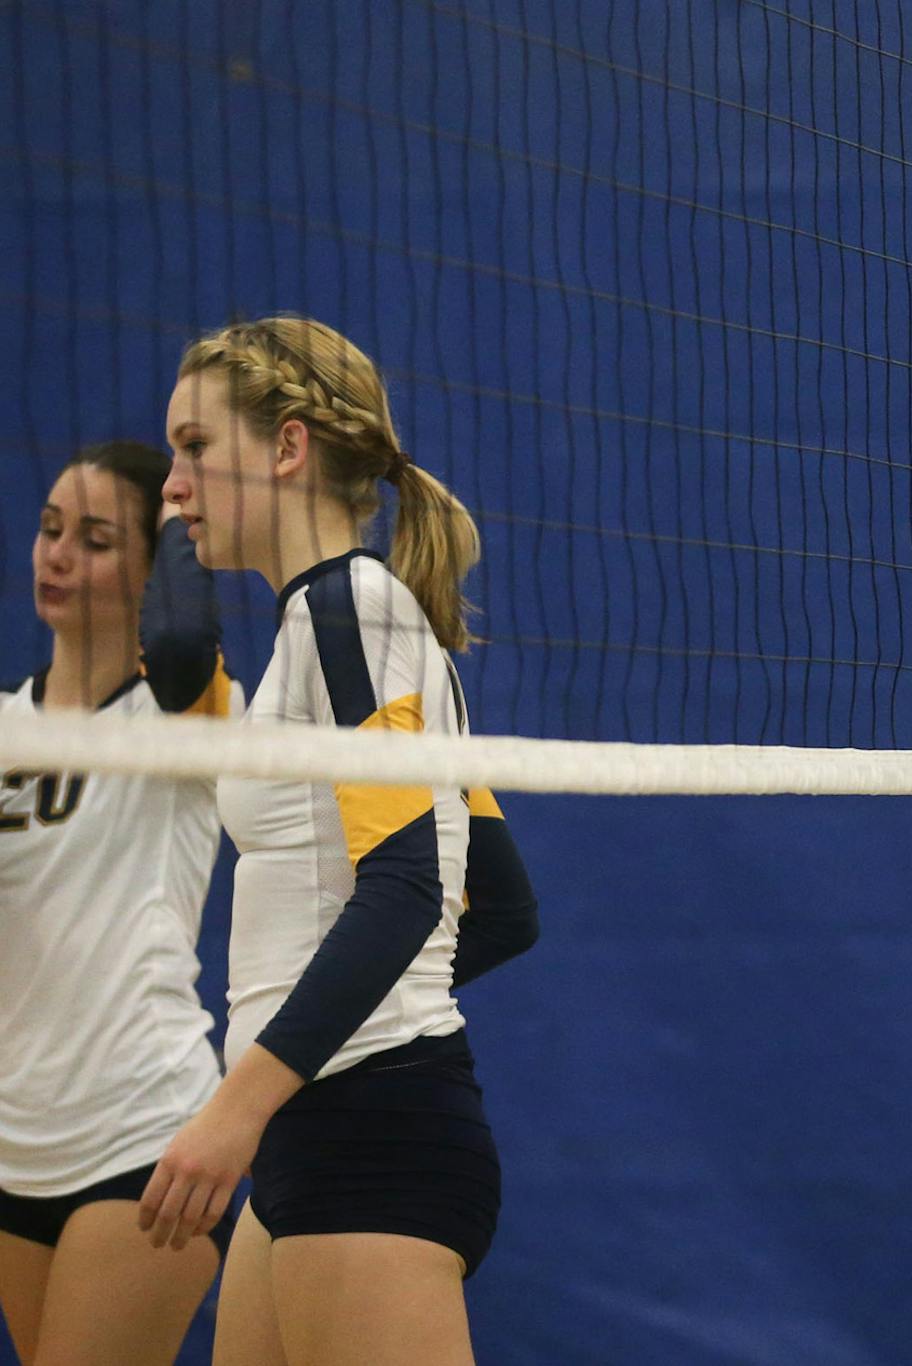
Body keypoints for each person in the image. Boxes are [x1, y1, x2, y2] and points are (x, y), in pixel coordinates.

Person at [146, 315, 540, 1363]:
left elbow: (408, 884)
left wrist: (236, 1108)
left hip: (372, 1139)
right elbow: (498, 903)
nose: (171, 486)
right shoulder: (331, 628)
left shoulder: (353, 613)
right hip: (317, 1131)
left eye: (195, 446)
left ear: (288, 448)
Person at [0, 442, 241, 1365]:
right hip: (18, 1141)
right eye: (51, 529)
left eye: (96, 540)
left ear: (152, 567)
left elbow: (180, 641)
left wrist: (183, 511)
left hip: (144, 1135)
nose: (57, 555)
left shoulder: (186, 719)